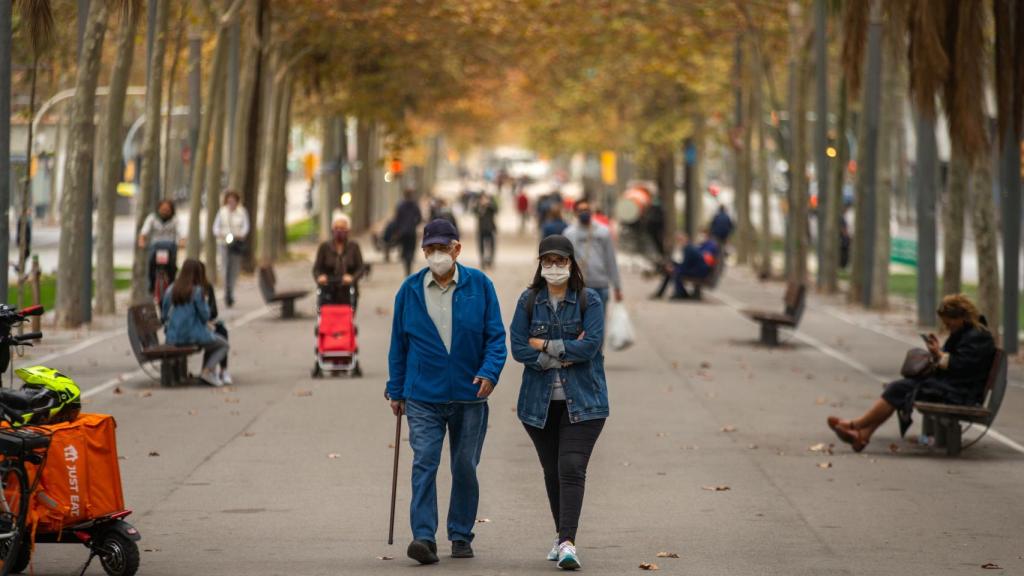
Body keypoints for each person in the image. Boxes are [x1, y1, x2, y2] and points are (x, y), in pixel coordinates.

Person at [386, 219, 507, 565]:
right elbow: (399, 345)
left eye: (443, 248)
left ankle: (460, 533)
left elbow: (496, 337)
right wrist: (395, 390)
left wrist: (490, 372)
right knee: (424, 462)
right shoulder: (409, 291)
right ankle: (423, 536)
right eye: (431, 249)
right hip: (423, 395)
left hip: (470, 395)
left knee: (465, 466)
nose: (437, 254)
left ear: (457, 249)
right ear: (424, 251)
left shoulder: (480, 285)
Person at [509, 234, 607, 571]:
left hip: (585, 402)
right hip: (538, 405)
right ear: (540, 265)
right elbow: (519, 348)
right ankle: (560, 535)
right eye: (548, 261)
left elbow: (590, 347)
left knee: (571, 467)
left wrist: (545, 345)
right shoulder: (528, 300)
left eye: (560, 261)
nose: (554, 267)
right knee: (553, 471)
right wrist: (562, 353)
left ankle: (568, 542)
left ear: (571, 263)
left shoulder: (588, 301)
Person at [827, 294, 996, 452]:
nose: (947, 327)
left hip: (961, 393)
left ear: (961, 317)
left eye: (949, 323)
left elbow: (962, 366)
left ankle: (855, 425)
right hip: (953, 387)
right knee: (900, 388)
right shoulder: (966, 332)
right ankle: (863, 435)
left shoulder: (977, 336)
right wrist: (938, 353)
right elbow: (957, 362)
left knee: (898, 389)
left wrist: (939, 355)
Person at [162, 259, 230, 387]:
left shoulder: (171, 289)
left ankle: (208, 373)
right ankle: (207, 371)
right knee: (223, 345)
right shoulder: (197, 291)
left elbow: (164, 314)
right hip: (193, 336)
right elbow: (206, 315)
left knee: (213, 339)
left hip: (172, 337)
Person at [563, 199, 622, 308]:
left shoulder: (603, 231)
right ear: (575, 213)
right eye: (580, 210)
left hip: (600, 284)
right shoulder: (568, 233)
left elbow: (610, 259)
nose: (584, 212)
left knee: (599, 323)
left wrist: (617, 286)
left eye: (586, 209)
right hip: (578, 286)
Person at [312, 214, 365, 308]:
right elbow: (316, 269)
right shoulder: (324, 247)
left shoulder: (354, 247)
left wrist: (352, 278)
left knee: (346, 319)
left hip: (348, 292)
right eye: (337, 228)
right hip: (328, 290)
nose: (339, 231)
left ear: (348, 230)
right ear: (332, 229)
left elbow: (361, 268)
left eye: (342, 228)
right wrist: (319, 277)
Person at [651, 231, 720, 300]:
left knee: (676, 272)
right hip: (697, 270)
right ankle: (677, 293)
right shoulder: (688, 247)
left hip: (699, 272)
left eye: (680, 240)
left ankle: (679, 293)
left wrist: (674, 269)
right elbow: (683, 263)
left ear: (685, 240)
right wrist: (673, 266)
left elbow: (684, 265)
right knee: (672, 271)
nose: (678, 242)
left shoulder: (688, 249)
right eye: (677, 240)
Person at [212, 190, 251, 307]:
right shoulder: (222, 212)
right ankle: (226, 291)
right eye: (229, 200)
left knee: (234, 269)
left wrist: (241, 234)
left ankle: (231, 292)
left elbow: (246, 226)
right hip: (224, 243)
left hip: (236, 243)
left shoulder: (242, 211)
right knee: (225, 268)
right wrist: (220, 234)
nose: (231, 202)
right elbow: (215, 227)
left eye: (233, 200)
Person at [197, 261, 232, 385]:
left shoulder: (206, 287)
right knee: (222, 341)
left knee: (221, 329)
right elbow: (202, 314)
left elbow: (212, 312)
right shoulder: (195, 292)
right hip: (195, 330)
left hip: (198, 326)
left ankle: (221, 370)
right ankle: (208, 370)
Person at [139, 199, 182, 296]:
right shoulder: (152, 218)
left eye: (167, 209)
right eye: (163, 209)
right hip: (156, 245)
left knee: (172, 266)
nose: (165, 211)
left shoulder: (175, 220)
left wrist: (182, 240)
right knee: (151, 263)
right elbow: (144, 231)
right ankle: (152, 284)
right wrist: (142, 240)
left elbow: (181, 231)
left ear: (171, 210)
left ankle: (172, 283)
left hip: (170, 245)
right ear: (158, 209)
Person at [393, 189, 423, 277]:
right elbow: (419, 218)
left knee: (405, 249)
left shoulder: (400, 206)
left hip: (403, 232)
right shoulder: (415, 205)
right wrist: (414, 223)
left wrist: (397, 230)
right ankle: (409, 263)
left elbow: (397, 220)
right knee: (411, 249)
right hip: (411, 231)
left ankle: (406, 266)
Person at [476, 194, 498, 268]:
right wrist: (481, 206)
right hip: (481, 228)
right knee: (481, 245)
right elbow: (475, 211)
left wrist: (488, 204)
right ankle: (482, 260)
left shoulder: (490, 206)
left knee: (492, 246)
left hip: (490, 228)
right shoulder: (478, 206)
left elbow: (496, 210)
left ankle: (490, 261)